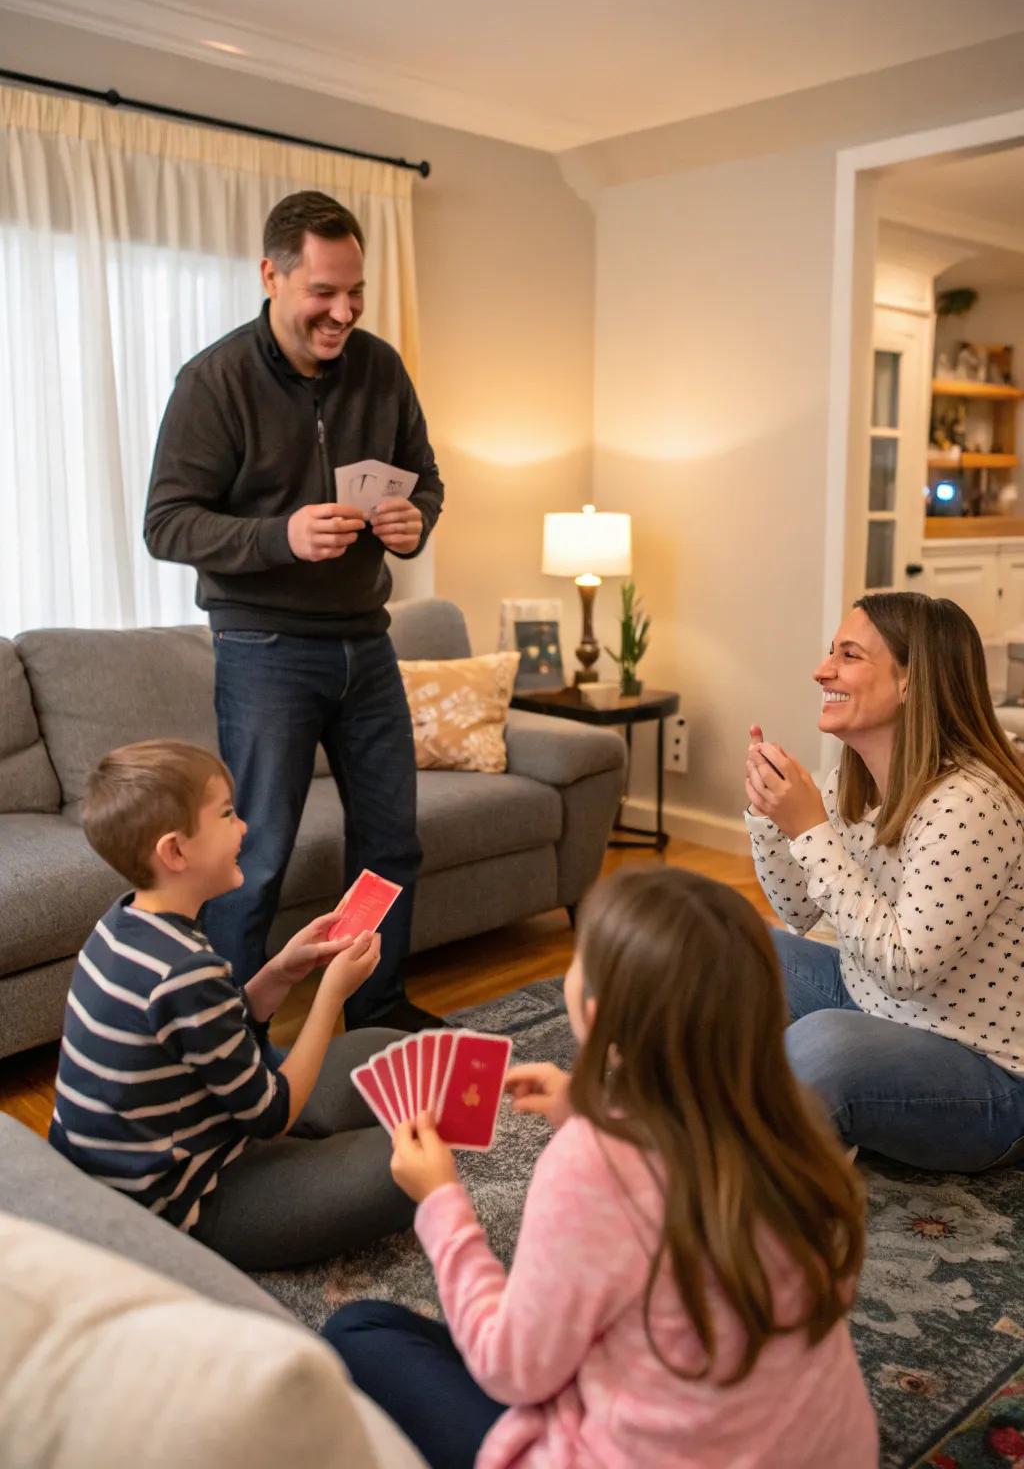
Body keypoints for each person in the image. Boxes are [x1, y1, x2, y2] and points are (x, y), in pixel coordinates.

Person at [321, 867, 877, 1469]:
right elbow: (671, 1171)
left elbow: (511, 1369)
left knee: (360, 1331)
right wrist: (591, 1114)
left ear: (597, 1012)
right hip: (830, 1451)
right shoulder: (795, 1125)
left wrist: (440, 1203)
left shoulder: (590, 1165)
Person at [144, 190, 444, 1032]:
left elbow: (425, 477)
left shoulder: (381, 368)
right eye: (323, 292)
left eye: (355, 292)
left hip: (367, 644)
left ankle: (376, 1012)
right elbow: (166, 524)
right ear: (271, 276)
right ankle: (231, 1036)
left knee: (390, 845)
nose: (343, 312)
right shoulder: (214, 381)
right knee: (257, 855)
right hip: (264, 649)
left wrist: (415, 520)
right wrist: (282, 535)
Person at [49, 740, 413, 1268]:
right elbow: (272, 1116)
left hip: (203, 1134)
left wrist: (281, 972)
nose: (244, 827)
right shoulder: (185, 970)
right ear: (176, 852)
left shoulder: (123, 921)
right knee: (409, 1166)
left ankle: (322, 1142)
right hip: (189, 1201)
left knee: (397, 1054)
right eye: (227, 815)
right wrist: (330, 995)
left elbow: (212, 1035)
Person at [745, 590, 1024, 1173]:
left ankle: (758, 1151)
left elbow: (905, 968)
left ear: (910, 682)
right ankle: (774, 1104)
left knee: (823, 1044)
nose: (822, 670)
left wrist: (810, 832)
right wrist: (770, 819)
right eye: (831, 652)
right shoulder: (855, 778)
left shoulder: (969, 802)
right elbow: (797, 910)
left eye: (848, 655)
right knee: (719, 946)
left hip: (988, 1076)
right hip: (875, 1005)